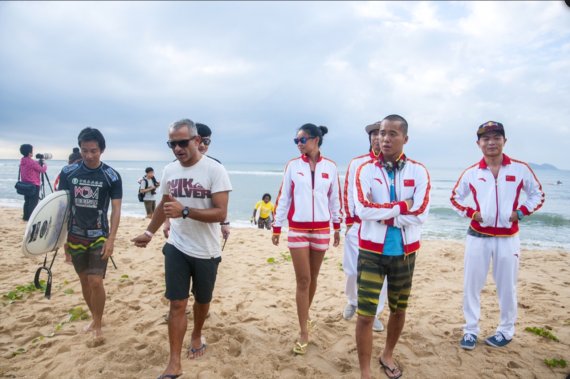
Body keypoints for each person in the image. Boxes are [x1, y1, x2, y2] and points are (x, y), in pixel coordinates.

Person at [132, 119, 232, 379]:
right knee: (177, 304)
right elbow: (164, 205)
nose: (177, 148)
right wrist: (149, 232)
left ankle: (197, 334)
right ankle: (174, 363)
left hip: (207, 250)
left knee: (202, 300)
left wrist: (185, 211)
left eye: (182, 142)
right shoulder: (169, 171)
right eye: (172, 144)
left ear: (197, 141)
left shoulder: (215, 170)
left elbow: (221, 212)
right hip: (176, 246)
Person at [450, 121, 545, 350]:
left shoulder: (520, 169)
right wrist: (471, 213)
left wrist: (520, 212)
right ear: (478, 143)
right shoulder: (472, 172)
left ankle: (505, 330)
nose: (491, 142)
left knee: (507, 287)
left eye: (496, 137)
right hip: (477, 237)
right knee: (471, 286)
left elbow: (537, 194)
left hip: (508, 238)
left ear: (504, 141)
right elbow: (455, 198)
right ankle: (470, 330)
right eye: (486, 139)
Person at [353, 115, 430, 379]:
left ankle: (387, 353)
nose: (384, 138)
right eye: (382, 133)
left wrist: (385, 211)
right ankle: (365, 371)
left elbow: (421, 213)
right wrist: (402, 206)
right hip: (371, 251)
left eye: (392, 134)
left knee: (398, 309)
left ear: (405, 139)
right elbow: (361, 209)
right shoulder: (366, 170)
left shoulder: (418, 171)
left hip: (405, 253)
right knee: (365, 314)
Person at [272, 123, 342, 355]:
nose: (299, 144)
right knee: (302, 280)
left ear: (316, 140)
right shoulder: (293, 166)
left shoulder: (330, 167)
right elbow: (284, 197)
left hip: (322, 229)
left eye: (302, 140)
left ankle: (306, 315)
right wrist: (277, 225)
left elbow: (334, 199)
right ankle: (304, 331)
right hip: (298, 229)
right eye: (296, 141)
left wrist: (337, 225)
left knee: (313, 278)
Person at [57, 128, 122, 344]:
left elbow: (116, 209)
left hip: (98, 236)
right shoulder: (68, 173)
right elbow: (62, 208)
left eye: (93, 150)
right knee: (84, 280)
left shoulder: (111, 176)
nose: (89, 155)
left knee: (96, 281)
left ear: (101, 150)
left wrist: (111, 239)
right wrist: (63, 239)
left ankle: (99, 322)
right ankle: (94, 318)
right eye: (84, 150)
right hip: (75, 235)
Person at [342, 121, 388, 332]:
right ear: (370, 139)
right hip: (358, 225)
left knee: (381, 272)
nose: (378, 138)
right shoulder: (357, 163)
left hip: (383, 226)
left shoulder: (394, 165)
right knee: (352, 269)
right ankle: (353, 301)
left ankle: (375, 312)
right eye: (374, 135)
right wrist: (349, 222)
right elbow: (348, 192)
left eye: (382, 134)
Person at [163, 123, 230, 241]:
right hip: (179, 232)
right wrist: (166, 221)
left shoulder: (216, 167)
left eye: (207, 141)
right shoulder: (175, 166)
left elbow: (221, 202)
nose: (203, 145)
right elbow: (168, 198)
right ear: (194, 140)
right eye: (200, 141)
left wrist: (225, 223)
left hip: (204, 234)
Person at [18, 144, 47, 221]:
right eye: (31, 151)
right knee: (33, 203)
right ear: (29, 152)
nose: (32, 152)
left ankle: (25, 217)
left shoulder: (22, 160)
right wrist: (45, 164)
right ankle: (31, 219)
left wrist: (37, 162)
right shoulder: (32, 162)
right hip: (34, 185)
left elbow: (31, 165)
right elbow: (42, 170)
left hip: (25, 185)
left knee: (27, 202)